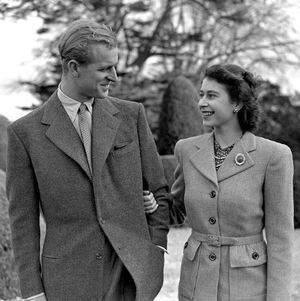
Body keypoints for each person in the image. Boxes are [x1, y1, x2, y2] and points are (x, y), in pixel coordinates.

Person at [6, 19, 170, 301]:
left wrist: (155, 248)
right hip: (66, 284)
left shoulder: (132, 116)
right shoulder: (25, 134)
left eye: (114, 66)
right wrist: (33, 292)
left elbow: (159, 192)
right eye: (105, 68)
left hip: (130, 278)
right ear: (73, 67)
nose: (115, 76)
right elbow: (23, 221)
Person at [144, 64, 294, 300]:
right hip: (195, 284)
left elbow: (281, 241)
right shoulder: (186, 149)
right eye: (201, 95)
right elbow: (176, 210)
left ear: (237, 103)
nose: (201, 102)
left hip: (248, 288)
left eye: (211, 96)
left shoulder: (273, 156)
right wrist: (154, 205)